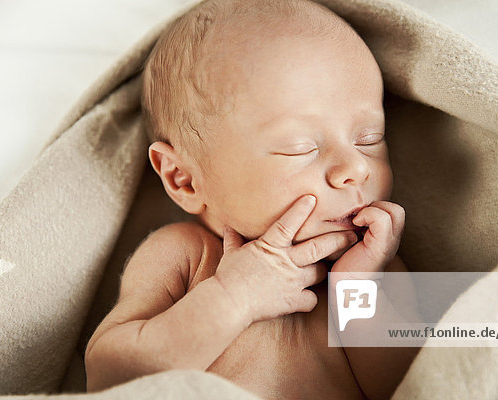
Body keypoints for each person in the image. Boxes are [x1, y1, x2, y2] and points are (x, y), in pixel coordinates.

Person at [85, 0, 418, 398]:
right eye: (299, 147)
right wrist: (235, 295)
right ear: (185, 179)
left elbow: (414, 387)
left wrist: (356, 290)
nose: (356, 168)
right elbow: (111, 378)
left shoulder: (373, 267)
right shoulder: (187, 255)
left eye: (369, 139)